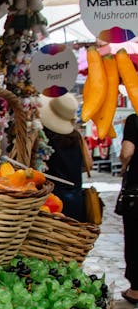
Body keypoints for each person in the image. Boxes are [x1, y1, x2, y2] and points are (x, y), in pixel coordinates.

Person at [38, 93, 86, 222]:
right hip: (76, 199)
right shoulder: (77, 137)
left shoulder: (44, 137)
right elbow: (89, 165)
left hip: (51, 199)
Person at [119, 111, 138, 303]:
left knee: (134, 238)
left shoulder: (135, 120)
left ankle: (136, 289)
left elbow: (127, 152)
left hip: (137, 194)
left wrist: (124, 165)